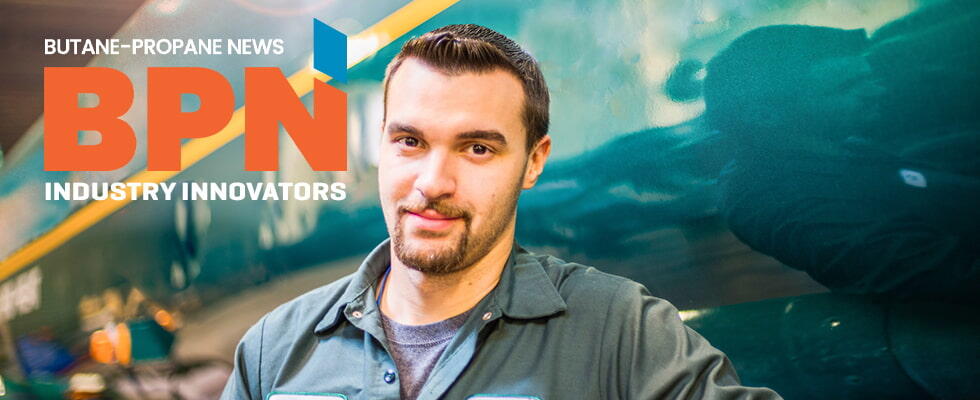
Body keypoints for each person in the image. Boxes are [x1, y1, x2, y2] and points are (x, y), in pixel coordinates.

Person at [220, 24, 780, 400]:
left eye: (478, 148)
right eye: (410, 141)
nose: (433, 182)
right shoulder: (274, 348)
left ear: (534, 163)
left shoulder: (622, 332)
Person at [704, 25, 979, 302]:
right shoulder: (778, 199)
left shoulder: (835, 146)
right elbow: (941, 276)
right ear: (765, 116)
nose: (875, 91)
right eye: (848, 87)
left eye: (867, 77)